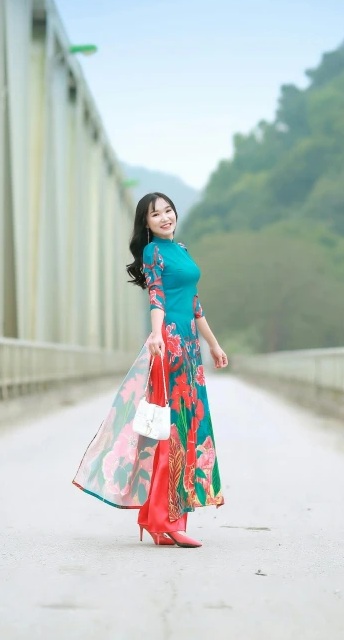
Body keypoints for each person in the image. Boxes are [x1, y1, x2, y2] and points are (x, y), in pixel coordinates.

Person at [73, 192, 227, 548]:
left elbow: (194, 303)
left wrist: (214, 344)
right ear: (146, 223)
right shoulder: (153, 252)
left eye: (168, 211)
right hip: (169, 346)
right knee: (171, 432)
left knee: (188, 430)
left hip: (190, 350)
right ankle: (164, 519)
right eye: (155, 214)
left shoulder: (182, 250)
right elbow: (156, 296)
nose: (164, 217)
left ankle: (161, 519)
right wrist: (157, 334)